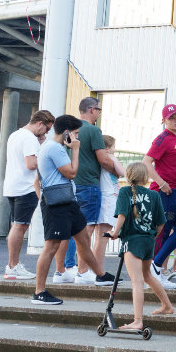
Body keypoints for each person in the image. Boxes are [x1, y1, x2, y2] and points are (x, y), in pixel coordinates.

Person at [31, 115, 106, 305]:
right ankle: (39, 291)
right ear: (66, 133)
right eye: (75, 134)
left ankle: (101, 275)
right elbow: (72, 172)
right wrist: (76, 150)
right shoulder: (55, 148)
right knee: (51, 246)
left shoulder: (53, 147)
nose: (77, 138)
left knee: (83, 239)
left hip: (68, 202)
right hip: (58, 204)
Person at [103, 162, 174, 328]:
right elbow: (161, 224)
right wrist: (150, 235)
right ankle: (167, 305)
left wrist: (114, 233)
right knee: (147, 275)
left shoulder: (125, 191)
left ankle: (138, 321)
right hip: (148, 240)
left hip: (133, 241)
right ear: (145, 177)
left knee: (137, 281)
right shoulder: (154, 195)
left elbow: (122, 215)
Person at [60, 97, 119, 285]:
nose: (99, 113)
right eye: (99, 110)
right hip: (89, 184)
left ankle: (64, 270)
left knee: (69, 229)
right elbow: (103, 159)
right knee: (87, 228)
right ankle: (83, 271)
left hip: (70, 182)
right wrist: (117, 170)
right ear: (92, 110)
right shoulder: (93, 130)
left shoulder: (68, 130)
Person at [145, 104, 176, 291]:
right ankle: (154, 272)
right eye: (172, 117)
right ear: (164, 120)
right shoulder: (162, 139)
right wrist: (162, 183)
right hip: (164, 192)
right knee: (162, 232)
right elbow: (146, 163)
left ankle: (155, 267)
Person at [3, 110, 53, 281]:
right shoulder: (30, 138)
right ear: (40, 123)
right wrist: (46, 154)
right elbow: (31, 164)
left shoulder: (16, 134)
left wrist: (39, 144)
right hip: (26, 187)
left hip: (12, 185)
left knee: (17, 225)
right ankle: (13, 266)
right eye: (47, 129)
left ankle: (13, 265)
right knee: (20, 226)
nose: (46, 133)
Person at [91, 135, 123, 285]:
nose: (115, 150)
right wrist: (114, 158)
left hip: (106, 198)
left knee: (100, 237)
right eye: (114, 146)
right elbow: (123, 172)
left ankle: (96, 270)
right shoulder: (108, 159)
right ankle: (99, 272)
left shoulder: (99, 161)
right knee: (103, 237)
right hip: (109, 198)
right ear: (108, 148)